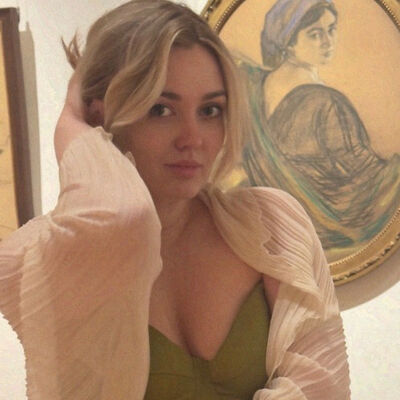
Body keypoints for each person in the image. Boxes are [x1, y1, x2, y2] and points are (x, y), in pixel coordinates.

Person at [0, 1, 350, 399]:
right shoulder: (57, 258)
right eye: (160, 109)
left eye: (210, 110)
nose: (192, 138)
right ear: (100, 116)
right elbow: (125, 220)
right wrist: (72, 119)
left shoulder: (272, 225)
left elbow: (322, 389)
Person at [241, 0, 400, 254]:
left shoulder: (255, 88)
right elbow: (367, 177)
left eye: (331, 29)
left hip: (279, 226)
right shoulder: (327, 103)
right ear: (288, 42)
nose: (328, 41)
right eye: (315, 34)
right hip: (324, 223)